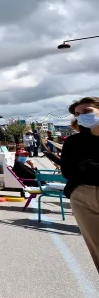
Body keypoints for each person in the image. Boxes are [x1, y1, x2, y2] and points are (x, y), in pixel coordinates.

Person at [62, 96, 99, 274]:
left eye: (87, 111)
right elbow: (68, 171)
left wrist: (86, 166)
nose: (82, 116)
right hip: (83, 198)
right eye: (78, 114)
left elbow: (80, 168)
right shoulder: (73, 142)